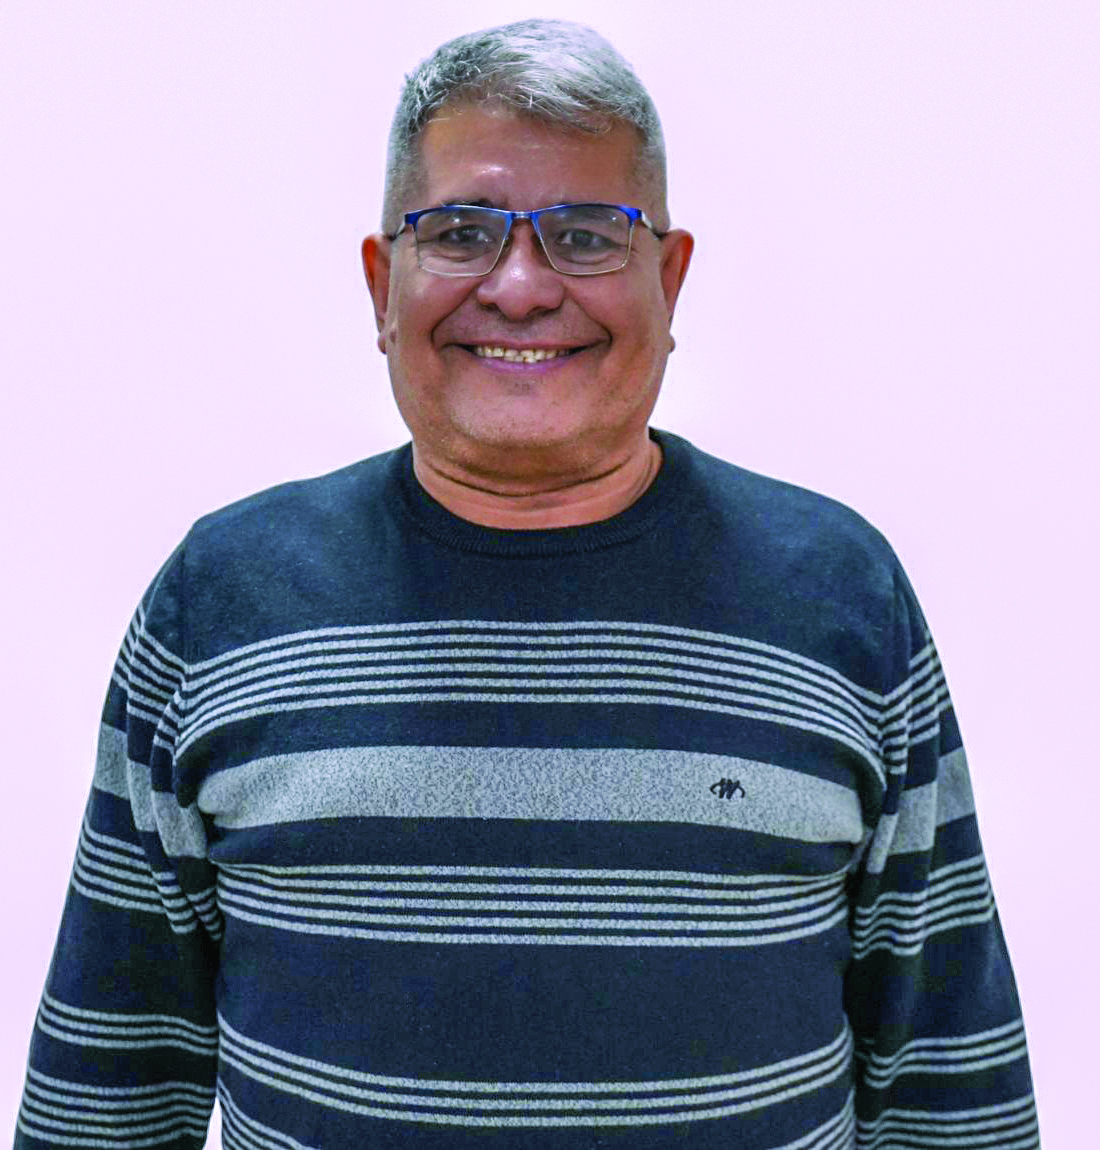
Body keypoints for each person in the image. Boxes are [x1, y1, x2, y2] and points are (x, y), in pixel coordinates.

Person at [15, 18, 1039, 1150]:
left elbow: (945, 1070)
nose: (517, 287)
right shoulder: (219, 600)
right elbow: (113, 1075)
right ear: (381, 284)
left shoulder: (839, 593)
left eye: (586, 236)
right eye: (459, 232)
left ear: (670, 279)